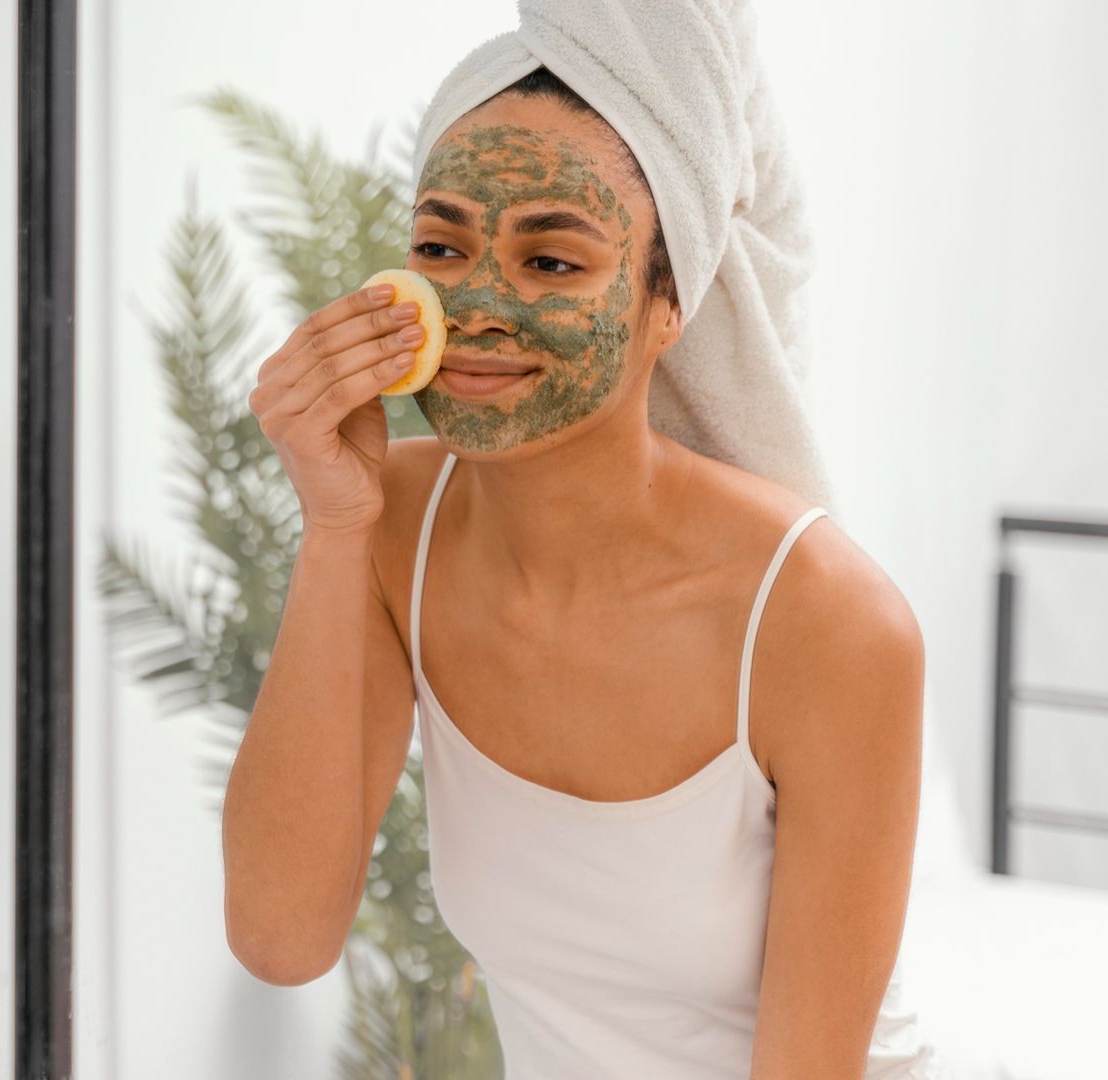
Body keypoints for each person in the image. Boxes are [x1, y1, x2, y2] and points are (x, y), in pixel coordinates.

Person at [221, 5, 941, 1077]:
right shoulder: (391, 525)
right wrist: (334, 522)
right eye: (441, 244)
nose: (479, 302)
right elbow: (281, 938)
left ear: (668, 304)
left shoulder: (826, 623)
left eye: (553, 260)